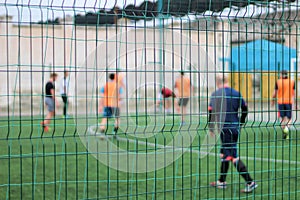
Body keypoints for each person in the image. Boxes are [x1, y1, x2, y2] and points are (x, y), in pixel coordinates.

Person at [208, 74, 258, 193]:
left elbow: (211, 113)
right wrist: (241, 122)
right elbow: (245, 109)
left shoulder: (216, 94)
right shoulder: (236, 93)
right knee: (224, 153)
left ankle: (250, 182)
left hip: (225, 129)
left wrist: (211, 127)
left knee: (233, 156)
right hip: (234, 127)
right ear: (227, 81)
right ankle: (221, 181)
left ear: (217, 82)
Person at [271, 70, 295, 139]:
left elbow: (274, 93)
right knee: (289, 118)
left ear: (281, 74)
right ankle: (287, 129)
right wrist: (296, 104)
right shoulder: (292, 82)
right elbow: (294, 94)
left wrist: (272, 101)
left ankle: (284, 130)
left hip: (281, 102)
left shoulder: (278, 82)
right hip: (289, 102)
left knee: (282, 118)